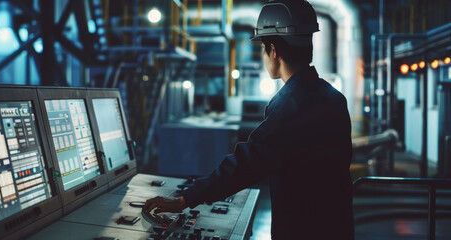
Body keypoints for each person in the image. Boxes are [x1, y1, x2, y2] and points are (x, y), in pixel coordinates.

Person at [143, 0, 354, 239]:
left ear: (273, 49)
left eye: (263, 48)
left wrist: (185, 198)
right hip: (337, 226)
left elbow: (247, 162)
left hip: (304, 229)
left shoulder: (290, 104)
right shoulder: (334, 98)